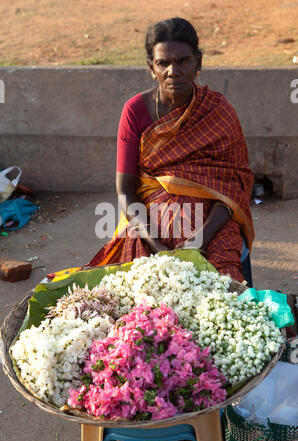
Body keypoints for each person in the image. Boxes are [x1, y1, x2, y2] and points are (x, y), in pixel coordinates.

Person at [48, 17, 254, 284]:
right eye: (163, 63)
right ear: (151, 68)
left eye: (182, 61)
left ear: (198, 63)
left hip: (211, 224)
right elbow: (125, 190)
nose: (173, 71)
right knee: (138, 293)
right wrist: (156, 246)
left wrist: (199, 240)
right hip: (149, 224)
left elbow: (234, 184)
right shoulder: (135, 111)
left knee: (221, 288)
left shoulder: (218, 111)